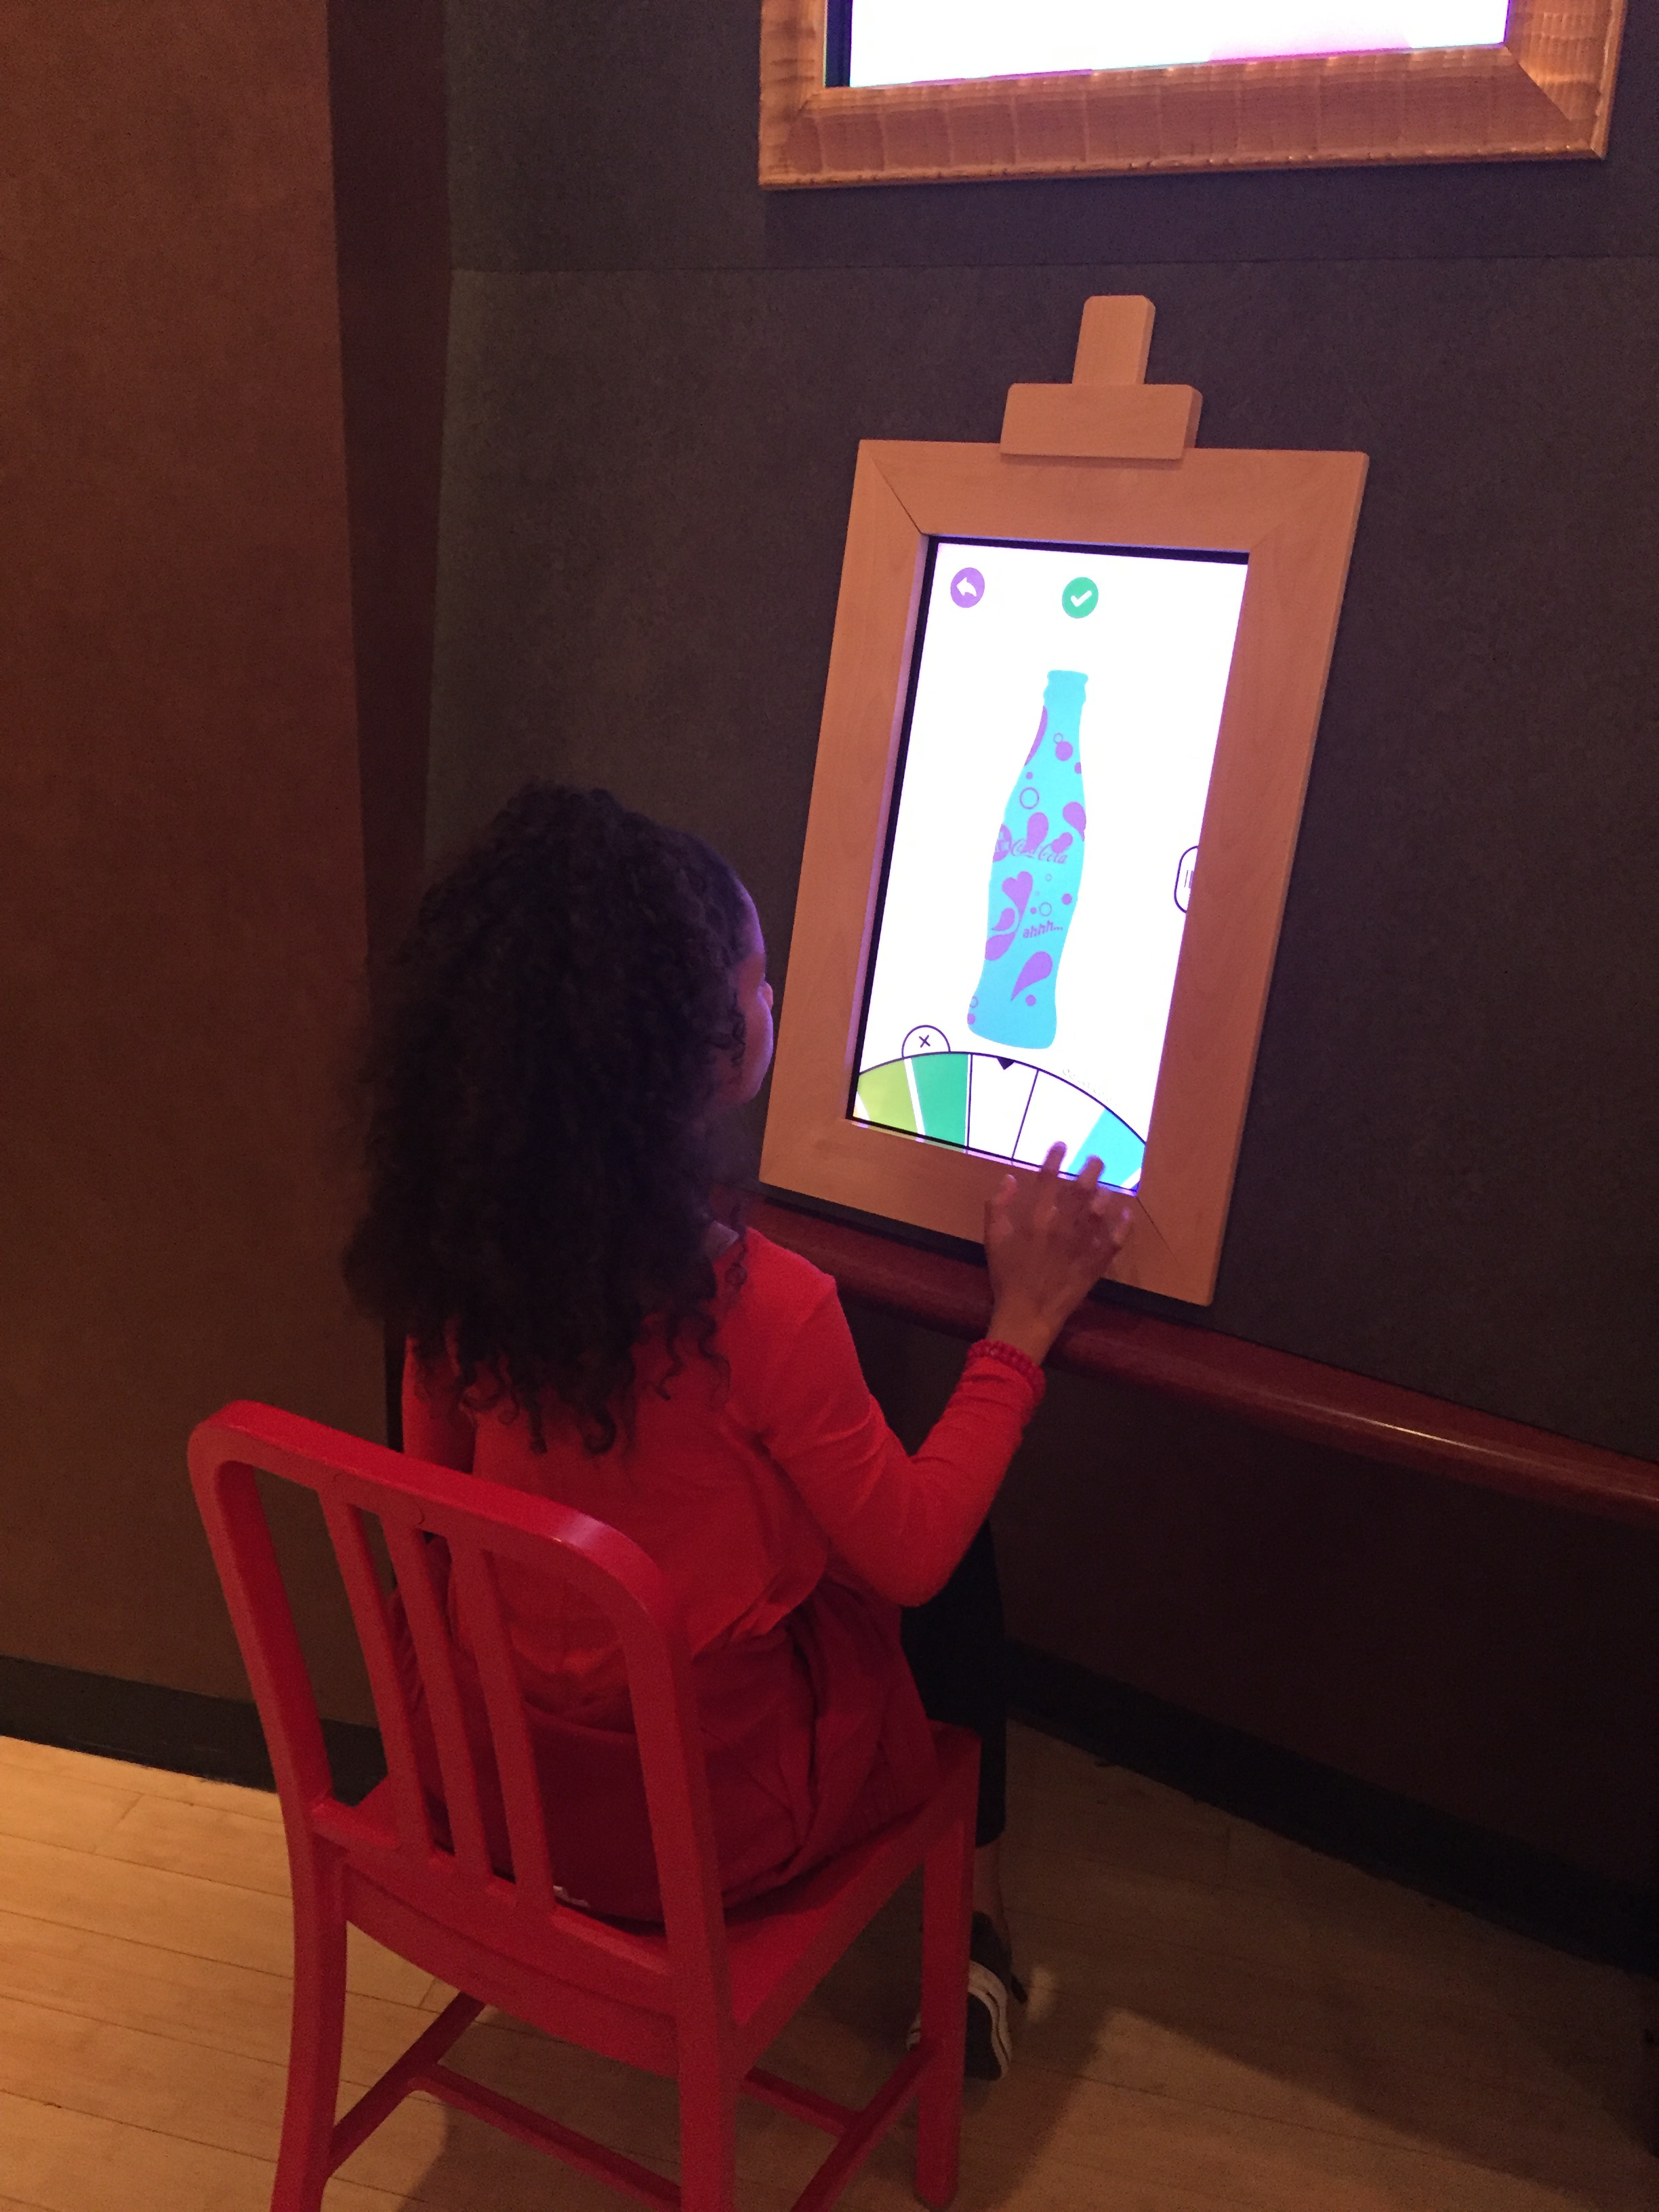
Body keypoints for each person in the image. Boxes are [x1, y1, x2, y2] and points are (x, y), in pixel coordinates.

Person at [344, 783, 1130, 2078]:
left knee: (804, 1532)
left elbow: (443, 1522)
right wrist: (1022, 1326)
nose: (776, 1006)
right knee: (943, 1539)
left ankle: (963, 1938)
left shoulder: (451, 1276)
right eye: (762, 985)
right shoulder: (765, 1304)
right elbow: (915, 1555)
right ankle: (976, 1938)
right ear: (710, 1051)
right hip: (712, 1827)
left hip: (488, 1788)